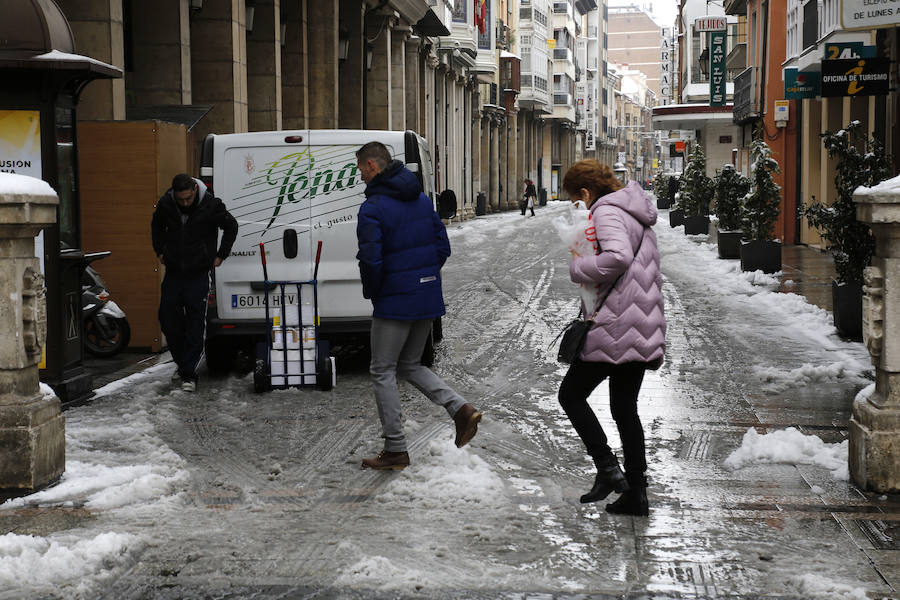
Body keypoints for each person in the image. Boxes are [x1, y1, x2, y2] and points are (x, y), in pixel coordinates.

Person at [355, 141, 482, 470]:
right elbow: (442, 247)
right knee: (410, 364)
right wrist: (422, 278)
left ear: (372, 166)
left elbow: (371, 260)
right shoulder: (422, 200)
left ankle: (396, 448)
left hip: (394, 299)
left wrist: (376, 292)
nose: (360, 175)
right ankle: (460, 408)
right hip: (426, 294)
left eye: (360, 168)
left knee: (382, 369)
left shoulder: (373, 207)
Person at [557, 159, 666, 516]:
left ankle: (606, 468)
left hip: (617, 322)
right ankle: (636, 493)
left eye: (576, 199)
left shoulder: (606, 211)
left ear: (586, 192)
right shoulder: (634, 211)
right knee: (624, 408)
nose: (578, 206)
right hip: (641, 319)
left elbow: (617, 258)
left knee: (571, 395)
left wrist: (578, 267)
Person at [151, 173, 238, 392]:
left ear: (195, 190)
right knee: (167, 318)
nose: (184, 203)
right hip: (174, 272)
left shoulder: (211, 205)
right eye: (180, 200)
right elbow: (156, 226)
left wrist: (221, 255)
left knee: (195, 322)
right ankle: (183, 364)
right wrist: (159, 250)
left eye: (188, 199)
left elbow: (231, 226)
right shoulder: (166, 204)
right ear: (174, 194)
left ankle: (189, 374)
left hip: (198, 273)